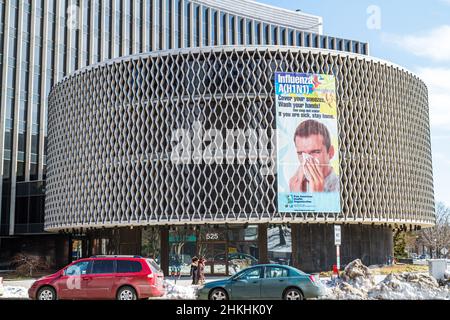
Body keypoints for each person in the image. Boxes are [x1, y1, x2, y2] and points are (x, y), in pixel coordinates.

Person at [289, 119, 339, 193]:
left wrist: (318, 195)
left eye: (315, 152)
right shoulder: (294, 186)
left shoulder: (341, 186)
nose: (307, 160)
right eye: (300, 153)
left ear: (331, 152)